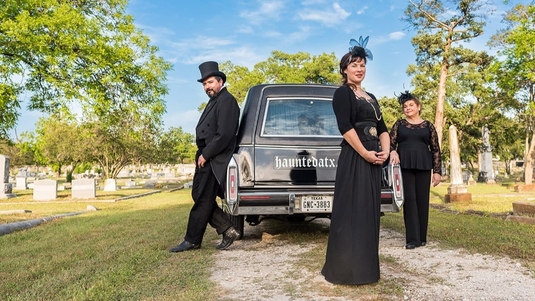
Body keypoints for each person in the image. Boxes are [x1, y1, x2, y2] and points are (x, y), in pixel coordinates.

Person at [321, 36, 390, 285]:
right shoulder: (342, 94)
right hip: (355, 157)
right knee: (351, 211)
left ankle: (366, 269)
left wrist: (384, 152)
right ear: (344, 70)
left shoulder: (371, 96)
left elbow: (382, 127)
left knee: (369, 211)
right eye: (354, 65)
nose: (359, 69)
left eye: (362, 65)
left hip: (374, 159)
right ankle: (344, 270)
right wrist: (365, 153)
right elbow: (345, 127)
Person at [169, 61, 241, 252]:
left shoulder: (227, 101)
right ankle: (227, 228)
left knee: (202, 198)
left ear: (220, 81)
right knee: (198, 195)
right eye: (204, 84)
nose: (207, 87)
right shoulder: (214, 101)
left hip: (215, 158)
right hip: (205, 156)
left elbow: (224, 134)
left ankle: (192, 240)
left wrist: (206, 154)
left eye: (210, 82)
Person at [389, 91, 442, 250]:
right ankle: (412, 239)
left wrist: (437, 171)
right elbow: (390, 143)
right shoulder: (399, 124)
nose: (408, 108)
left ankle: (422, 237)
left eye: (411, 105)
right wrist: (393, 151)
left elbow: (435, 149)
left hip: (424, 165)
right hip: (404, 165)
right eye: (405, 106)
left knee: (422, 200)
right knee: (410, 200)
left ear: (418, 106)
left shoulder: (428, 126)